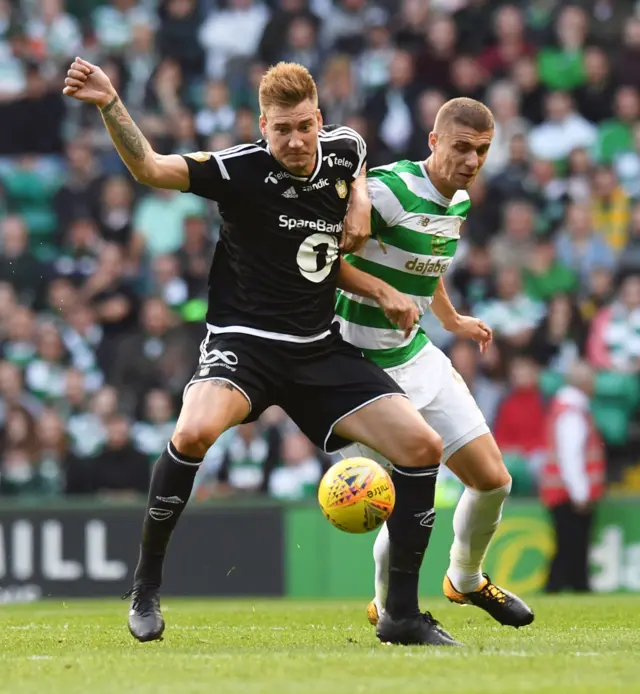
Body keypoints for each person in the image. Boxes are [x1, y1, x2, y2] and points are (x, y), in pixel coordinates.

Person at [62, 58, 456, 647]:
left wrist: (358, 202)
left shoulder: (344, 149)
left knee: (423, 447)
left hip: (317, 349)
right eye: (281, 130)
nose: (295, 141)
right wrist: (110, 102)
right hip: (243, 344)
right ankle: (144, 587)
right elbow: (149, 168)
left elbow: (356, 159)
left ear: (318, 120)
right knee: (192, 433)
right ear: (261, 127)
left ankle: (400, 613)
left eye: (303, 126)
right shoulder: (238, 170)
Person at [337, 97, 534, 635]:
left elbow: (428, 259)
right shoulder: (388, 191)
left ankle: (464, 579)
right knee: (398, 501)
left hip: (415, 354)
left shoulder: (460, 201)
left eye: (482, 150)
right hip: (359, 367)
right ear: (433, 141)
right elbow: (317, 257)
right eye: (461, 147)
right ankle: (389, 607)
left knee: (493, 481)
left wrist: (451, 318)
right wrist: (380, 290)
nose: (471, 161)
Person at [541, 360, 605, 593]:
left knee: (571, 546)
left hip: (562, 492)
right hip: (568, 494)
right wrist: (581, 493)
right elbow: (571, 457)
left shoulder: (566, 408)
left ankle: (575, 585)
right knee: (571, 545)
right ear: (585, 383)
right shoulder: (573, 412)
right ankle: (560, 587)